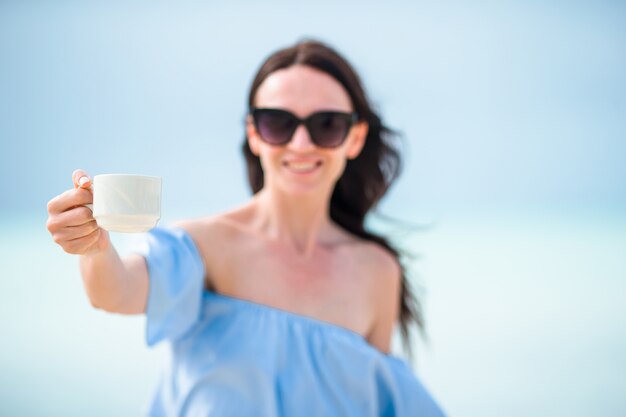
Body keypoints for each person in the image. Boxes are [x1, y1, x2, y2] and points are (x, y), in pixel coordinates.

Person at [46, 39, 446, 417]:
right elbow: (117, 291)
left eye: (326, 124)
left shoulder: (377, 271)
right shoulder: (204, 244)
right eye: (278, 123)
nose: (302, 143)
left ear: (355, 138)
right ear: (254, 134)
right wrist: (95, 248)